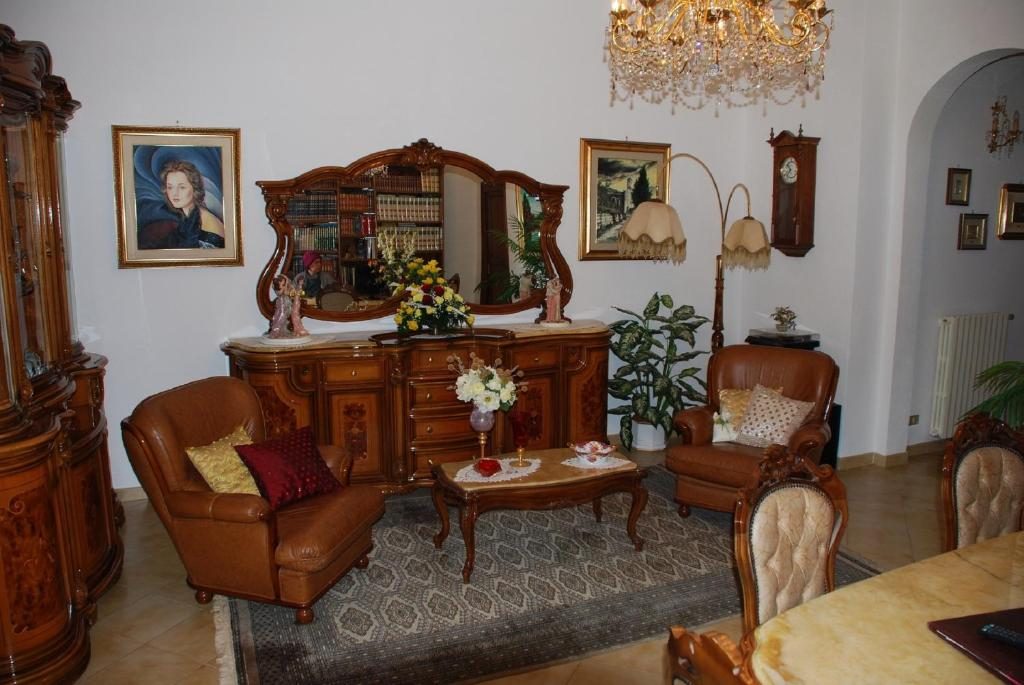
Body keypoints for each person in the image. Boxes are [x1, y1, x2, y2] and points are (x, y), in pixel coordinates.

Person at [138, 160, 226, 249]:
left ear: (195, 188)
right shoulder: (187, 218)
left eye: (182, 187)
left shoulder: (208, 226)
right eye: (170, 187)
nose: (174, 193)